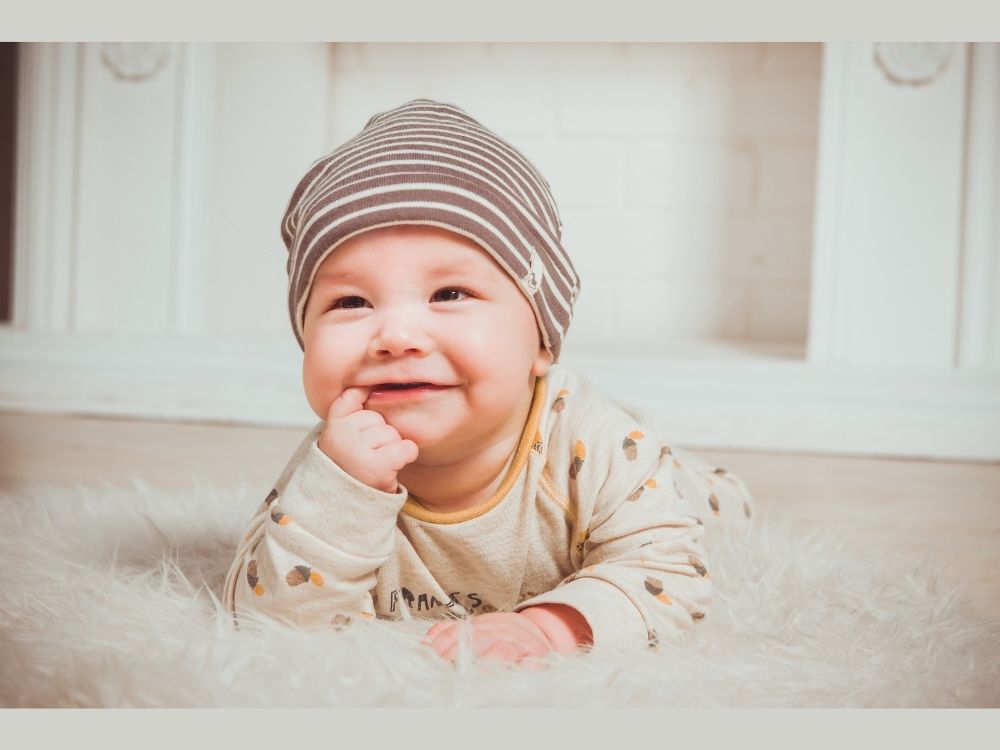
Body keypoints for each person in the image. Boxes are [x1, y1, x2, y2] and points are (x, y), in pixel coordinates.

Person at [222, 98, 754, 664]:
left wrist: (550, 628)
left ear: (542, 342)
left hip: (635, 473)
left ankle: (703, 481)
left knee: (701, 508)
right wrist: (341, 497)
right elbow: (267, 619)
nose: (397, 336)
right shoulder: (335, 467)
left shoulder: (596, 445)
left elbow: (668, 574)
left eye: (449, 294)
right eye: (350, 301)